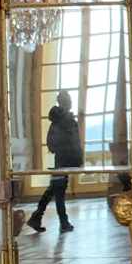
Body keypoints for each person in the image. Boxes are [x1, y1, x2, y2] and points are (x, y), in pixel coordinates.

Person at [28, 90, 82, 233]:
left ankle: (37, 217)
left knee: (54, 189)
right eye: (68, 99)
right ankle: (63, 222)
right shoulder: (63, 120)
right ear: (63, 101)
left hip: (64, 160)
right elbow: (63, 142)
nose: (70, 102)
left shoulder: (62, 120)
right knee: (58, 191)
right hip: (64, 160)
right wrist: (73, 154)